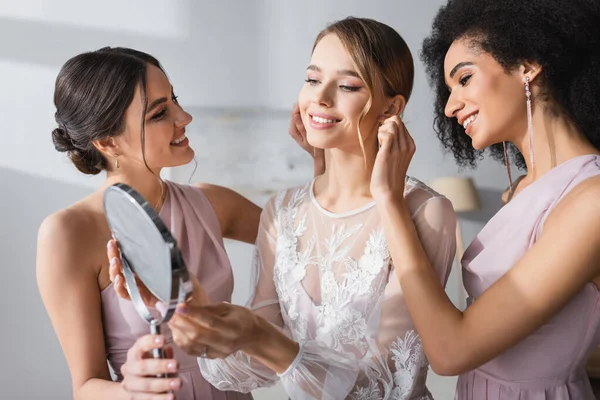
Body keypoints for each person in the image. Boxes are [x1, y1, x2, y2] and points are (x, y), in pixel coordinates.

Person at [110, 17, 457, 399]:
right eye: (312, 79)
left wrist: (260, 337)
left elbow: (387, 388)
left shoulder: (426, 212)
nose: (320, 97)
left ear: (391, 108)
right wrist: (196, 311)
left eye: (347, 85)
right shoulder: (283, 212)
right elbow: (247, 371)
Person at [36, 47, 321, 400]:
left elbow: (316, 246)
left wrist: (321, 160)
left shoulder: (212, 204)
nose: (184, 117)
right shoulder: (69, 233)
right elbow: (85, 387)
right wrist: (132, 392)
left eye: (174, 100)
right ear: (108, 141)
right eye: (160, 113)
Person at [369, 0, 600, 399]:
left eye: (464, 78)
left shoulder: (591, 200)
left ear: (528, 63)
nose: (449, 105)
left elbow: (450, 350)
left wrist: (388, 199)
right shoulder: (521, 191)